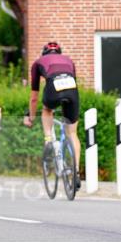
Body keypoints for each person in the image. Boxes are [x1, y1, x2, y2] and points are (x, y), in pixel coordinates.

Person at [23, 42, 81, 191]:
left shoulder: (37, 63)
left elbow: (34, 97)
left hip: (53, 87)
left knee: (47, 109)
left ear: (44, 53)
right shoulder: (69, 60)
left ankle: (48, 139)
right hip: (72, 90)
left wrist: (31, 117)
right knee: (73, 133)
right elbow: (71, 84)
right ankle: (76, 171)